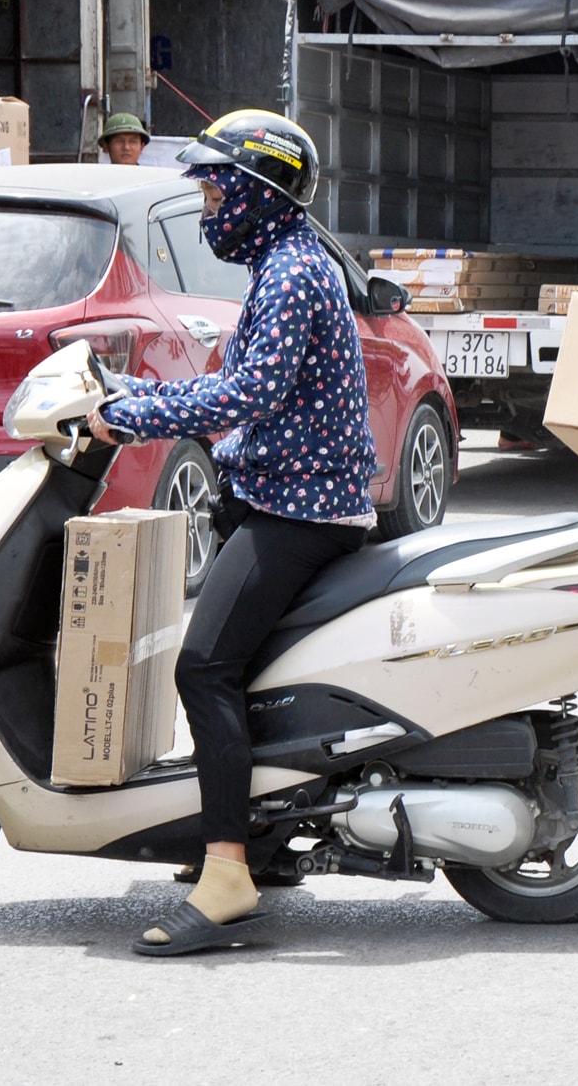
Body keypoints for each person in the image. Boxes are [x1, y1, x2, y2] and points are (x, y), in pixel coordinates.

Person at [85, 110, 378, 956]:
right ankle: (258, 835)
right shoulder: (284, 266)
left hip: (303, 512)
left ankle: (226, 876)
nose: (208, 201)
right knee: (236, 669)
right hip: (276, 496)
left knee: (202, 667)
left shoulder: (293, 273)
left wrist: (132, 413)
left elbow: (247, 393)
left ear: (256, 191)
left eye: (217, 186)